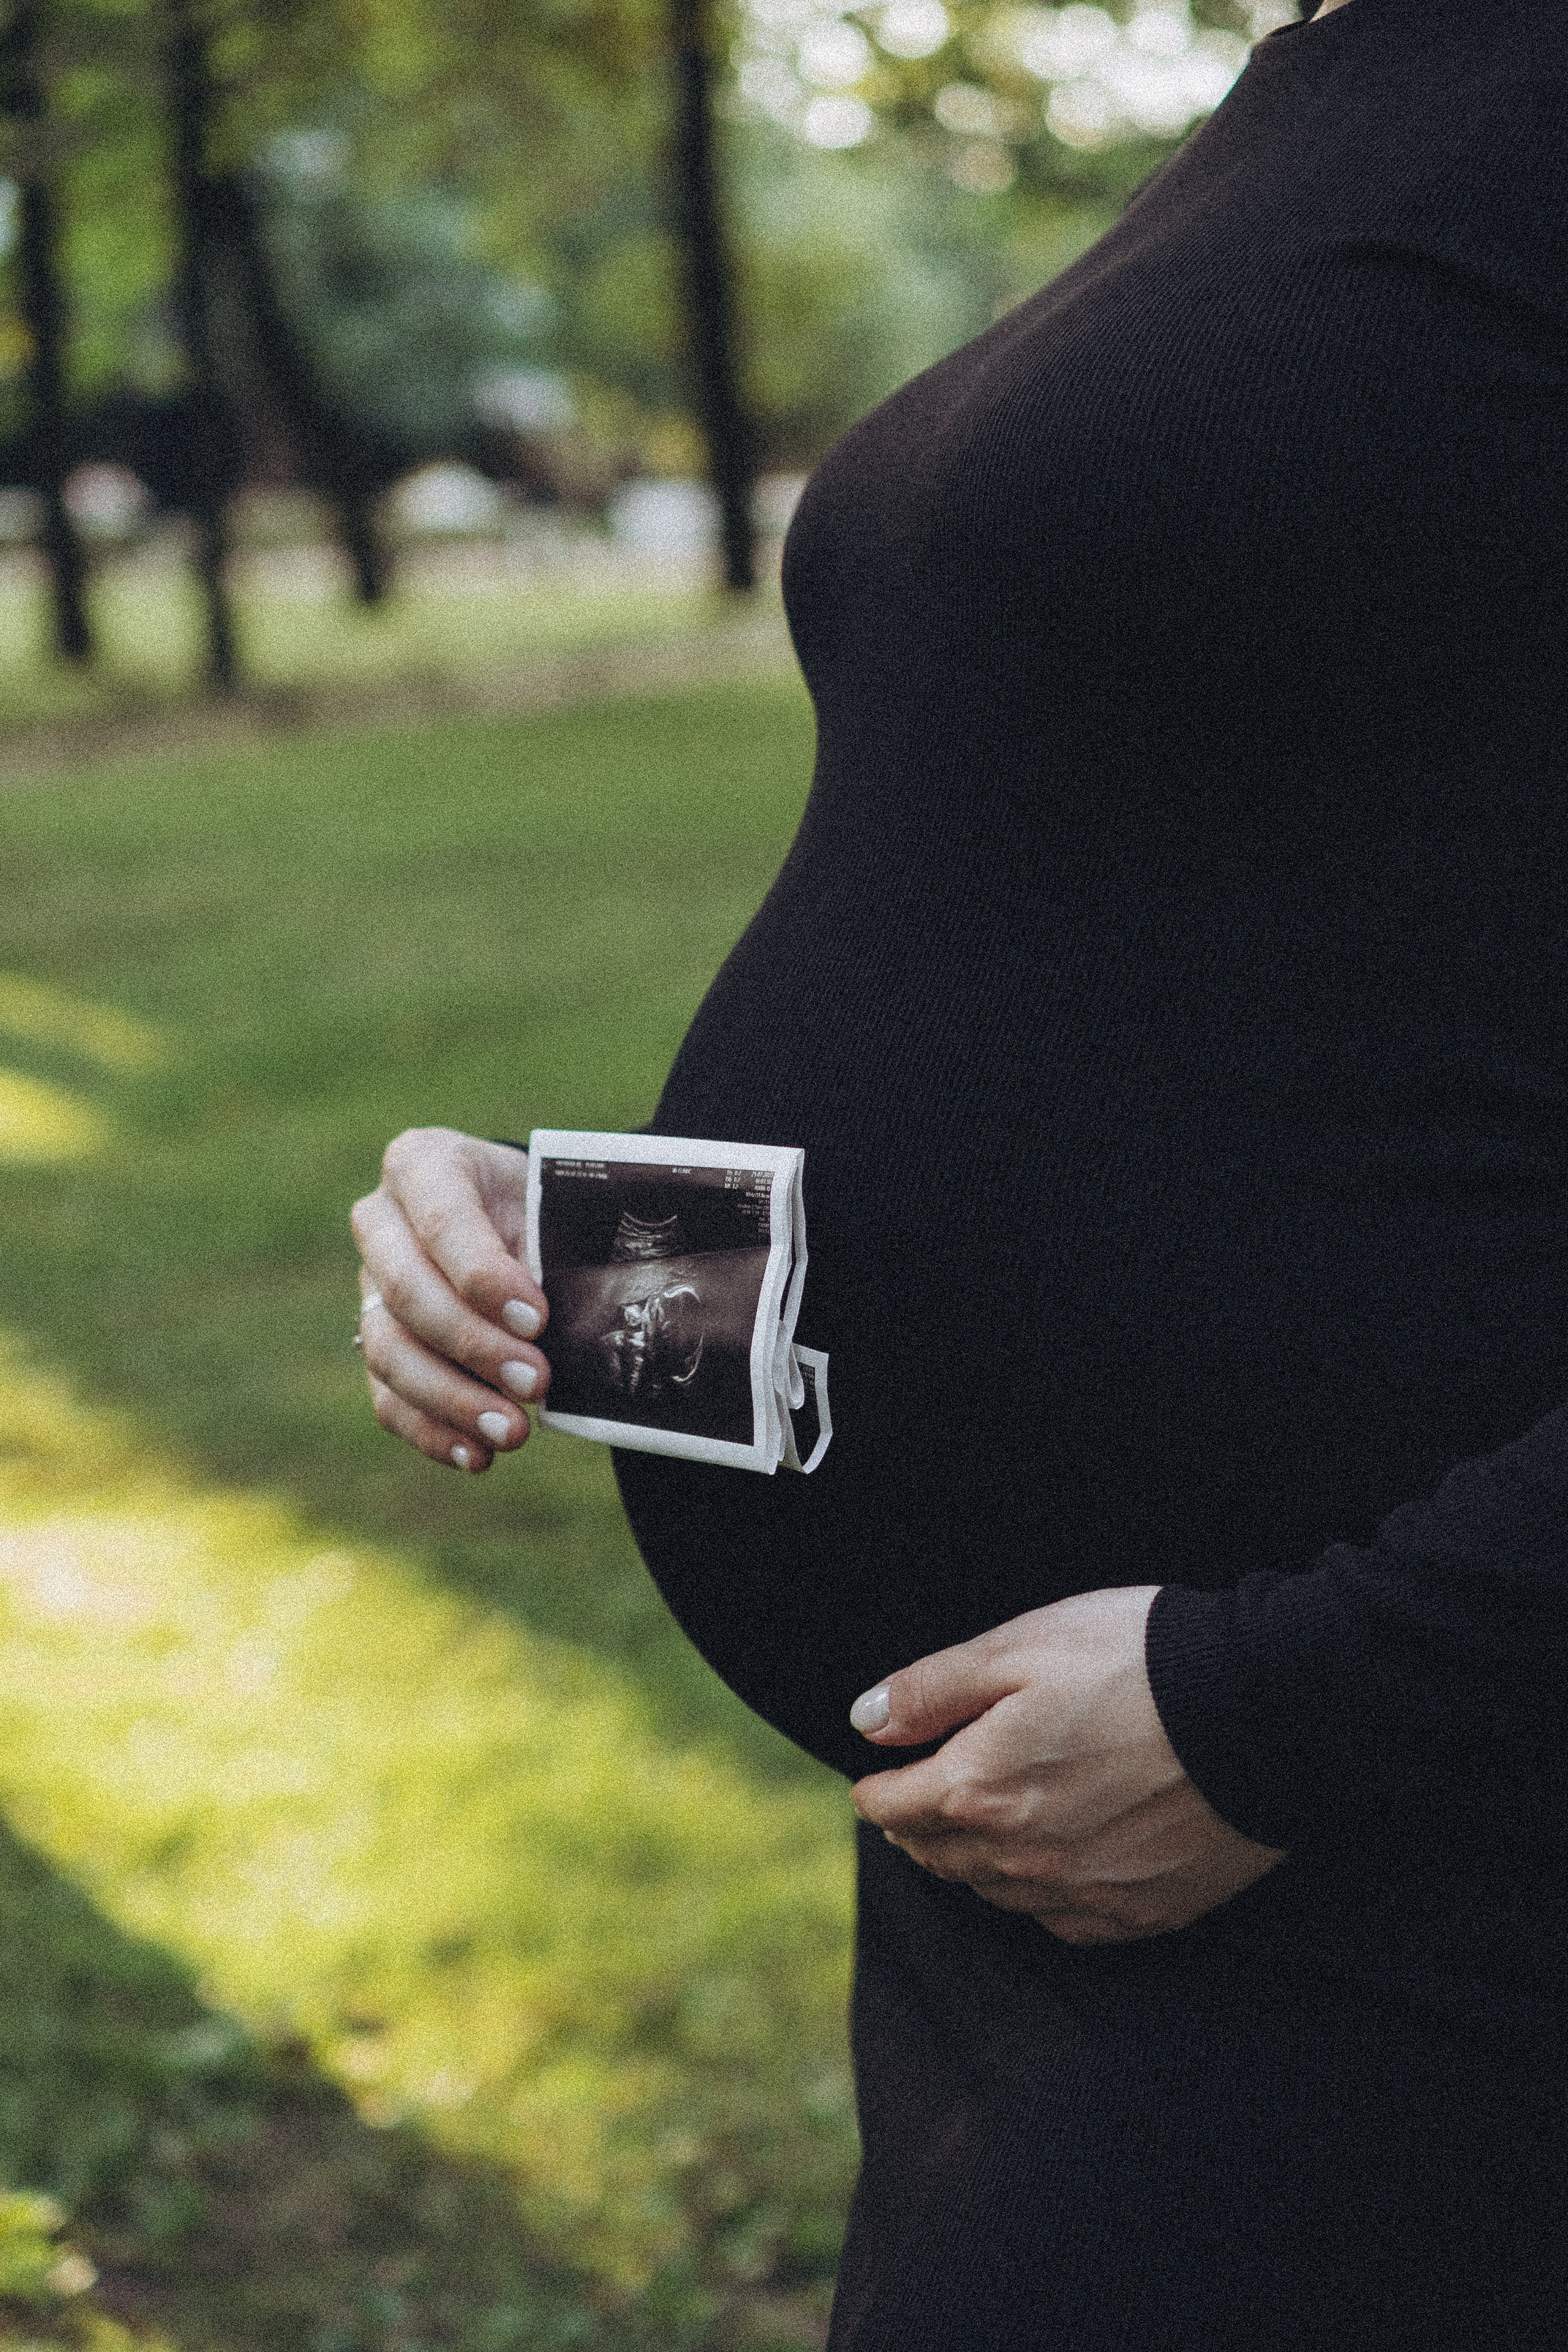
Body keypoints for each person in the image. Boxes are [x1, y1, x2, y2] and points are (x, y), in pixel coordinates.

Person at [350, 0, 1568, 2339]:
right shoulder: (1329, 91)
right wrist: (577, 1258)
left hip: (1408, 1851)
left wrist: (1292, 1708)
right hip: (1046, 1848)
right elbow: (1245, 937)